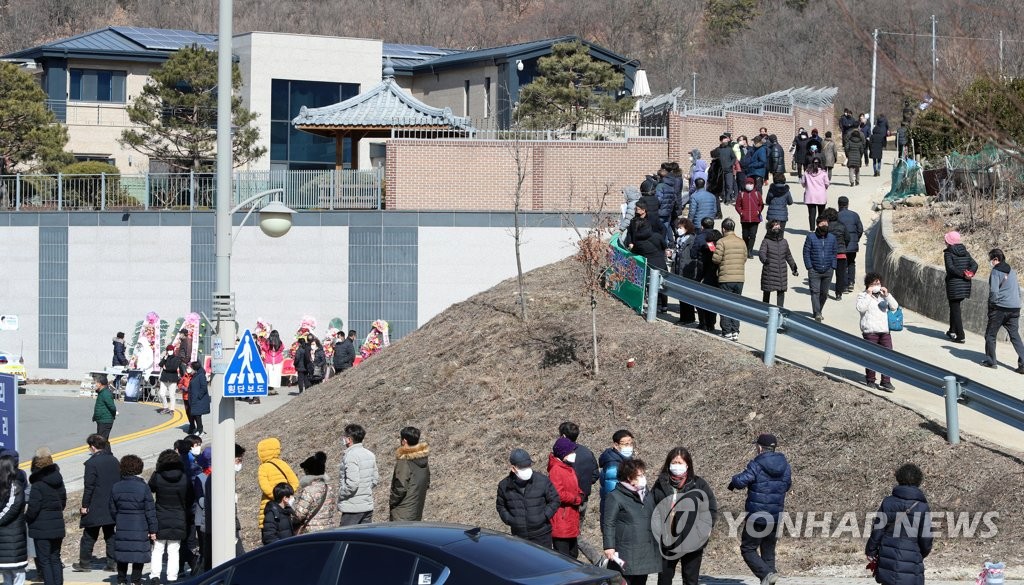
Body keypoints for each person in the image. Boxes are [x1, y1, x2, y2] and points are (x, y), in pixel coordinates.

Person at [728, 434, 792, 585]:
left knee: (748, 549)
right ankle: (769, 577)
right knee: (768, 552)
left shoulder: (756, 464)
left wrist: (733, 481)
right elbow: (787, 485)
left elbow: (741, 481)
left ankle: (766, 574)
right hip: (775, 516)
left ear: (759, 447)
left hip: (757, 516)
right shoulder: (785, 466)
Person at [652, 448, 718, 585]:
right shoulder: (660, 484)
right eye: (674, 462)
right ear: (668, 464)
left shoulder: (698, 484)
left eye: (680, 462)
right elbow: (652, 509)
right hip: (667, 541)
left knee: (690, 579)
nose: (677, 466)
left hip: (693, 540)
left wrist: (703, 530)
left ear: (687, 464)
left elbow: (710, 508)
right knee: (664, 578)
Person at [865, 464, 933, 585]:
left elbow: (878, 530)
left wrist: (871, 551)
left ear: (899, 478)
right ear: (918, 480)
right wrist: (917, 554)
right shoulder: (922, 507)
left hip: (887, 559)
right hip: (912, 561)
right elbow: (926, 540)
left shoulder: (888, 502)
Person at [601, 458, 660, 585]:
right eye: (639, 475)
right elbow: (608, 523)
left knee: (641, 581)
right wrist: (609, 546)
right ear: (629, 477)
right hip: (626, 549)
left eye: (643, 474)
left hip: (645, 548)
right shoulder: (615, 496)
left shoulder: (647, 495)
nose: (643, 478)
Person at [73, 434, 119, 573]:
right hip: (111, 504)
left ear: (93, 447)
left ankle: (84, 563)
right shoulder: (114, 460)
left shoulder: (91, 464)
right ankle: (112, 563)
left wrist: (84, 506)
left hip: (95, 505)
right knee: (110, 535)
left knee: (89, 535)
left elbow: (89, 487)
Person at [496, 449, 559, 547]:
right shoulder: (504, 486)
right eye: (522, 467)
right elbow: (501, 506)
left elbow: (555, 500)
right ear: (513, 468)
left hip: (542, 534)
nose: (527, 469)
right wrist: (510, 520)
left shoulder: (542, 481)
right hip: (519, 537)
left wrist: (544, 516)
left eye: (528, 465)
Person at [110, 454, 157, 585]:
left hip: (122, 524)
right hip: (140, 525)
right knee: (138, 554)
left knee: (122, 554)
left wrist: (118, 519)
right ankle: (135, 581)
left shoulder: (116, 486)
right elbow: (150, 510)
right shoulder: (143, 487)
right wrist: (153, 529)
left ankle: (121, 580)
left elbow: (112, 509)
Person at [148, 449, 189, 584]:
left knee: (158, 548)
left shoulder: (157, 476)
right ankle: (172, 577)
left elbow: (150, 489)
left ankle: (155, 576)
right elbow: (190, 496)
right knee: (174, 550)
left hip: (160, 515)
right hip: (179, 516)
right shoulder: (184, 476)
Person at [981, 248, 1024, 372]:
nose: (990, 262)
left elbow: (994, 291)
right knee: (1015, 336)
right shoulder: (1013, 271)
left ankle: (991, 361)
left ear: (996, 259)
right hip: (1015, 308)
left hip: (1000, 308)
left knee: (990, 335)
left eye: (991, 259)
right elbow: (1017, 290)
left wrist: (992, 305)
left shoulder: (996, 271)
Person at [27, 449, 65, 585]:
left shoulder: (37, 485)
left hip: (41, 527)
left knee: (45, 560)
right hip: (57, 525)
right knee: (55, 558)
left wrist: (27, 518)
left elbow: (33, 508)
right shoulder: (58, 480)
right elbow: (63, 501)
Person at [856, 273, 899, 391]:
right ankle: (870, 379)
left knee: (888, 356)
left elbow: (895, 306)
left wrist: (887, 295)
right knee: (871, 356)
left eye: (878, 283)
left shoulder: (882, 296)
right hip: (870, 331)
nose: (877, 285)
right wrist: (869, 295)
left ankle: (886, 381)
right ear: (868, 285)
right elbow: (861, 308)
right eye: (874, 283)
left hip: (884, 331)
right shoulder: (862, 296)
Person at [624, 200, 668, 313]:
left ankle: (661, 304)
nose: (635, 211)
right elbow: (630, 233)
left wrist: (659, 238)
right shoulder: (634, 221)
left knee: (657, 281)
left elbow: (663, 229)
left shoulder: (652, 220)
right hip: (641, 249)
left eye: (637, 209)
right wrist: (629, 242)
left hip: (650, 250)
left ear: (643, 210)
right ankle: (651, 302)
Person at [337, 424, 380, 526]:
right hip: (367, 506)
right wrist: (365, 489)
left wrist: (341, 493)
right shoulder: (370, 454)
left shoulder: (350, 456)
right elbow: (375, 479)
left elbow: (352, 484)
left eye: (344, 437)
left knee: (345, 538)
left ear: (349, 439)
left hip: (352, 508)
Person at [712, 218, 747, 340]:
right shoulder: (741, 242)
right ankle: (735, 330)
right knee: (736, 305)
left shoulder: (722, 242)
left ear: (723, 229)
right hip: (739, 278)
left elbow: (716, 259)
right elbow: (744, 258)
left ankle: (726, 331)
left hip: (726, 277)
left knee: (724, 304)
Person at [558, 422, 599, 524]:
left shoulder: (560, 453)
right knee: (577, 529)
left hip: (564, 501)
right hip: (582, 499)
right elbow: (595, 474)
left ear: (563, 436)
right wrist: (584, 484)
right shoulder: (587, 452)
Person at [547, 438, 582, 558]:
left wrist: (580, 493)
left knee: (573, 554)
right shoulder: (556, 470)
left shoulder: (568, 468)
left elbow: (573, 486)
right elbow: (558, 493)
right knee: (564, 558)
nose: (574, 454)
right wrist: (576, 499)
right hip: (562, 519)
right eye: (571, 452)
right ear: (564, 454)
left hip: (570, 518)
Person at [942, 232, 978, 344]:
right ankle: (952, 330)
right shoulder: (964, 251)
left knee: (955, 309)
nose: (945, 241)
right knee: (954, 308)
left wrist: (963, 274)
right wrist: (970, 273)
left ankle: (960, 335)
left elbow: (950, 268)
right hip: (965, 284)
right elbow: (975, 264)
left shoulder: (948, 253)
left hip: (954, 285)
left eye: (946, 240)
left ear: (949, 242)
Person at [389, 426, 430, 522]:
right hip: (416, 509)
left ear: (404, 441)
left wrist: (392, 501)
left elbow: (400, 486)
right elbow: (427, 483)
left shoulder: (404, 461)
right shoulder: (423, 459)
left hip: (402, 512)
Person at [256, 438, 299, 530]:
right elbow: (295, 482)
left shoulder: (263, 467)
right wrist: (286, 495)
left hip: (270, 505)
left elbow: (265, 487)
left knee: (270, 530)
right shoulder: (283, 464)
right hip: (285, 504)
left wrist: (277, 496)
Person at [803, 215, 838, 321]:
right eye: (822, 223)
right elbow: (806, 252)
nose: (825, 225)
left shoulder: (832, 237)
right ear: (818, 225)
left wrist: (833, 266)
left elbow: (834, 252)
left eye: (826, 223)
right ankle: (817, 313)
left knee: (824, 293)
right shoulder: (811, 237)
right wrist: (809, 267)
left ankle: (818, 310)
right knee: (815, 292)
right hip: (814, 270)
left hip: (828, 270)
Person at [293, 452, 336, 533]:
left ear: (307, 472)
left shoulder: (309, 490)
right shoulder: (329, 488)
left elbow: (299, 515)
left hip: (313, 533)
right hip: (330, 530)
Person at [0, 455, 27, 585]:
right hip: (11, 535)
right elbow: (12, 508)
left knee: (12, 572)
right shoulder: (13, 486)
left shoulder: (14, 486)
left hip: (11, 535)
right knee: (14, 572)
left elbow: (12, 507)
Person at [759, 220, 798, 307]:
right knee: (767, 291)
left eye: (778, 226)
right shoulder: (766, 241)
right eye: (775, 226)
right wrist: (765, 260)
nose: (777, 228)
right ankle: (764, 309)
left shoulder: (784, 242)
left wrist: (793, 267)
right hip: (769, 270)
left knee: (781, 291)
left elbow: (788, 255)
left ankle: (780, 310)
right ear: (770, 228)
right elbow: (761, 252)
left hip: (781, 272)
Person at [598, 430, 634, 524]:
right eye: (625, 444)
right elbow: (612, 494)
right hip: (617, 513)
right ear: (616, 445)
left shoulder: (624, 460)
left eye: (630, 444)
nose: (629, 447)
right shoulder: (613, 465)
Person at [692, 218, 721, 332]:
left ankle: (703, 322)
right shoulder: (719, 237)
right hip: (715, 272)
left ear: (702, 226)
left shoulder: (700, 238)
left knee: (699, 296)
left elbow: (693, 253)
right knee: (712, 298)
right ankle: (711, 323)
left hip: (702, 270)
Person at [671, 219, 699, 326]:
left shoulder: (691, 240)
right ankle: (683, 317)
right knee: (681, 297)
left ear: (687, 228)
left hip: (688, 272)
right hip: (679, 271)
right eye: (678, 228)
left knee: (687, 297)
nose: (678, 230)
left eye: (680, 228)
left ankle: (689, 318)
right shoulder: (679, 240)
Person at [837, 196, 864, 294]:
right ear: (848, 204)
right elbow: (860, 229)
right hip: (853, 245)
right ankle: (851, 283)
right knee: (851, 262)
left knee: (842, 264)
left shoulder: (837, 215)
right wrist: (856, 239)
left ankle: (844, 286)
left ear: (838, 204)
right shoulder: (855, 215)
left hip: (841, 245)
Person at [735, 177, 764, 258]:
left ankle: (750, 250)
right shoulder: (741, 194)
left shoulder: (757, 194)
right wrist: (741, 212)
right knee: (745, 235)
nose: (749, 185)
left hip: (755, 219)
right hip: (745, 219)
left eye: (751, 183)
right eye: (748, 183)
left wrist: (759, 211)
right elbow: (737, 206)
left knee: (753, 235)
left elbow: (761, 204)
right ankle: (746, 248)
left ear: (753, 185)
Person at [825, 208, 850, 301]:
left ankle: (825, 291)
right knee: (840, 276)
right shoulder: (842, 226)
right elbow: (848, 238)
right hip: (841, 254)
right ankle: (838, 294)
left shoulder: (826, 227)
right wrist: (843, 246)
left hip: (828, 254)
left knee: (827, 274)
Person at [800, 157, 830, 231]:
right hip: (821, 195)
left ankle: (812, 229)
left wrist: (807, 186)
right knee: (821, 214)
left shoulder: (807, 172)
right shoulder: (823, 173)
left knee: (811, 214)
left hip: (810, 196)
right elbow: (827, 183)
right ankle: (820, 228)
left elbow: (803, 183)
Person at [184, 361, 210, 436]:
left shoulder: (201, 375)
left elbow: (204, 387)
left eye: (190, 368)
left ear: (194, 368)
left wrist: (198, 396)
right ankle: (199, 430)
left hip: (199, 400)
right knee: (196, 415)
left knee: (198, 415)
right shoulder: (195, 375)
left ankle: (200, 431)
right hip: (195, 399)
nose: (189, 369)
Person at [157, 345, 184, 415]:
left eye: (171, 350)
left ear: (173, 350)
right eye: (168, 350)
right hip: (164, 378)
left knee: (172, 395)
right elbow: (160, 365)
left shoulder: (176, 358)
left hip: (172, 379)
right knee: (161, 394)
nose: (169, 351)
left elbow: (174, 368)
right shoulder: (165, 357)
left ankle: (172, 409)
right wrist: (164, 359)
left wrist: (166, 368)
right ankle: (165, 407)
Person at [90, 374, 117, 443]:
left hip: (105, 421)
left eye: (96, 383)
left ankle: (106, 453)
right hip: (102, 420)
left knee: (102, 440)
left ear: (100, 384)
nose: (95, 385)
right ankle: (106, 453)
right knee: (103, 440)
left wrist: (111, 416)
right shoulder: (101, 392)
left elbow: (112, 407)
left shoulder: (105, 393)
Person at [712, 134, 738, 204]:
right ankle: (723, 198)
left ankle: (728, 198)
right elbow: (712, 154)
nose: (726, 140)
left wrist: (730, 164)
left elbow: (734, 158)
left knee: (729, 185)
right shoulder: (718, 149)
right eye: (724, 139)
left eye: (726, 139)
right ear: (721, 141)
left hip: (729, 170)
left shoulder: (729, 149)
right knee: (722, 185)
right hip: (720, 171)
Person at [265, 330, 284, 396]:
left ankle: (269, 389)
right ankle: (272, 389)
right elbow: (282, 349)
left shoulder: (267, 342)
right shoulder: (280, 342)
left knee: (269, 375)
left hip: (269, 360)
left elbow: (264, 348)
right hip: (277, 361)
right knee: (276, 375)